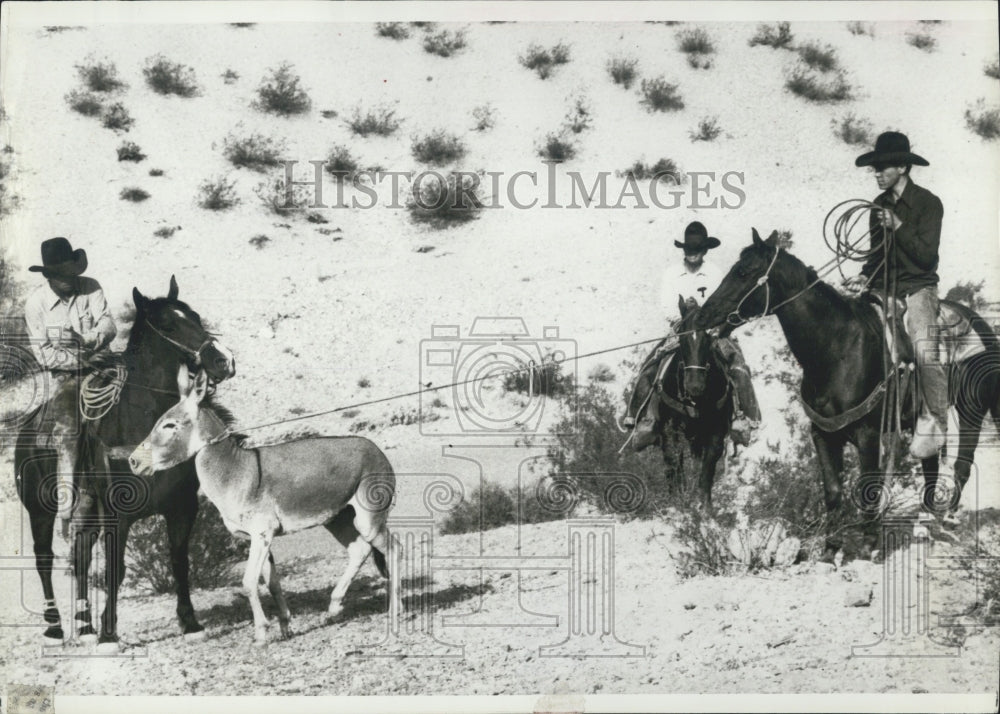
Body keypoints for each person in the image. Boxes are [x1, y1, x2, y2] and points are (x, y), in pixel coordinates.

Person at [844, 131, 947, 459]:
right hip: (884, 288)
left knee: (924, 349)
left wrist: (898, 226)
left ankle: (937, 421)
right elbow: (877, 255)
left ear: (902, 167)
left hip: (919, 288)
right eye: (874, 169)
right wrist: (862, 276)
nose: (876, 174)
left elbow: (926, 257)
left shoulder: (929, 203)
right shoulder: (877, 206)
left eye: (882, 168)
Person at [623, 221, 761, 451]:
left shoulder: (715, 273)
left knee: (737, 364)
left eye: (697, 250)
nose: (692, 254)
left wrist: (709, 320)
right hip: (682, 329)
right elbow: (667, 306)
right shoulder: (671, 273)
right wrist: (683, 318)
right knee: (651, 364)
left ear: (705, 251)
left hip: (710, 330)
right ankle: (641, 420)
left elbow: (721, 303)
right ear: (684, 251)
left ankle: (744, 417)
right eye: (689, 250)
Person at [24, 237, 117, 534]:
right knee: (68, 429)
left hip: (105, 365)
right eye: (62, 276)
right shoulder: (36, 304)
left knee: (147, 401)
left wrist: (85, 341)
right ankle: (66, 502)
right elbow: (44, 354)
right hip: (67, 377)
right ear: (49, 276)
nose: (69, 281)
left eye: (71, 274)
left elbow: (108, 325)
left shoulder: (91, 286)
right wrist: (80, 360)